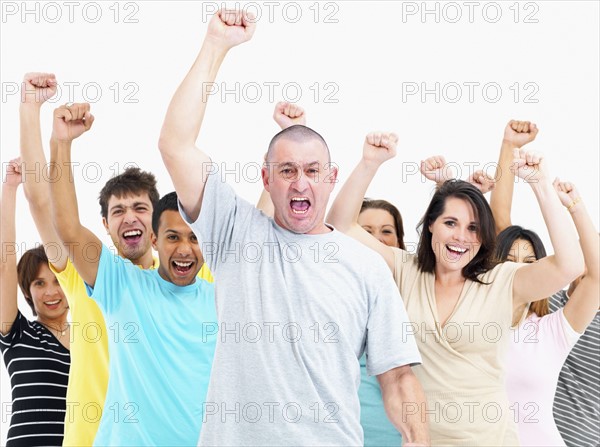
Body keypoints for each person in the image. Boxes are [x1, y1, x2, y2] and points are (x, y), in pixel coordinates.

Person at [158, 10, 428, 446]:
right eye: (286, 170)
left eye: (311, 170)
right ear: (266, 180)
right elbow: (175, 144)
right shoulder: (234, 234)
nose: (300, 182)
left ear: (330, 177)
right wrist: (215, 45)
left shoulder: (366, 266)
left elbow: (397, 376)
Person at [326, 131, 583, 445]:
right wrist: (370, 163)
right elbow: (340, 225)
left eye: (473, 228)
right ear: (431, 223)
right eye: (451, 223)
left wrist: (540, 185)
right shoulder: (406, 270)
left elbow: (570, 266)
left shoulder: (501, 280)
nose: (462, 236)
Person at [17, 72, 214, 446]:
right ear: (105, 225)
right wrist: (31, 110)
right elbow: (43, 202)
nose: (129, 217)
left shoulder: (192, 284)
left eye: (140, 208)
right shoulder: (85, 275)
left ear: (157, 224)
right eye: (118, 212)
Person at [490, 120, 600, 446]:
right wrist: (509, 146)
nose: (580, 266)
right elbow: (503, 229)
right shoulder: (544, 303)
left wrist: (576, 208)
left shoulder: (561, 322)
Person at [1, 159, 70, 446]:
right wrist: (10, 189)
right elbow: (5, 264)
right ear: (27, 292)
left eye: (57, 281)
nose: (52, 292)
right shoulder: (18, 333)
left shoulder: (92, 338)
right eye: (39, 283)